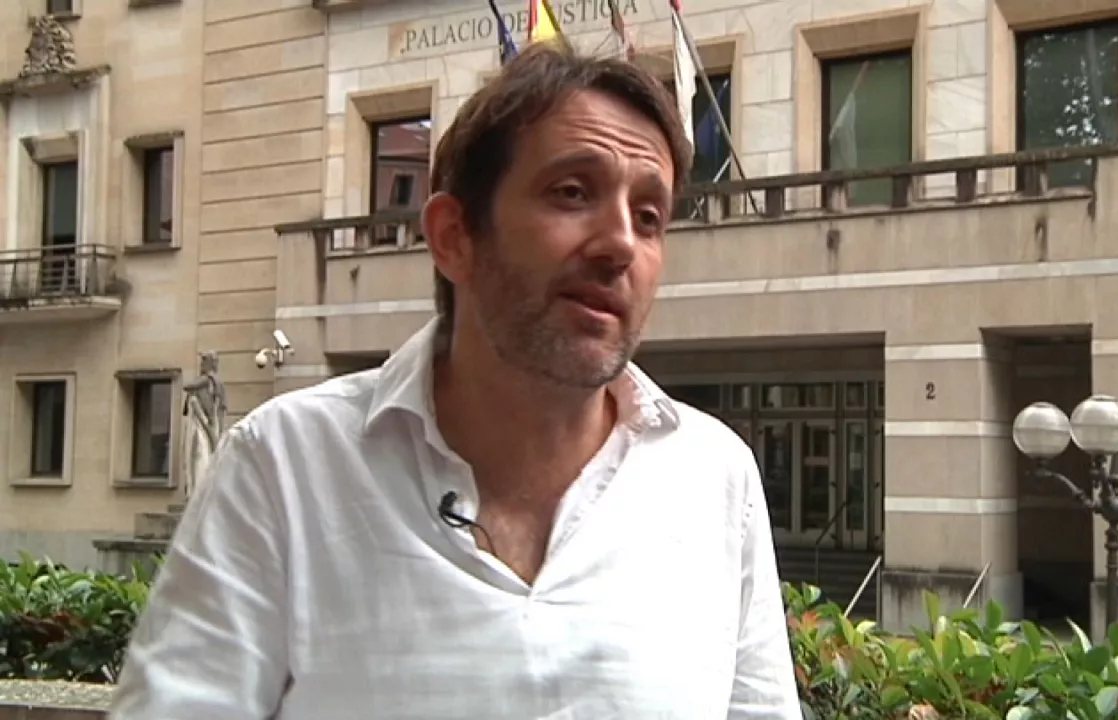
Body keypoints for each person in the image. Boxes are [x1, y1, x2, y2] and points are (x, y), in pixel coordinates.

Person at [109, 42, 801, 720]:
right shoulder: (284, 466)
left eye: (649, 218)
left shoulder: (716, 478)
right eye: (571, 192)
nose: (621, 243)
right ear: (454, 236)